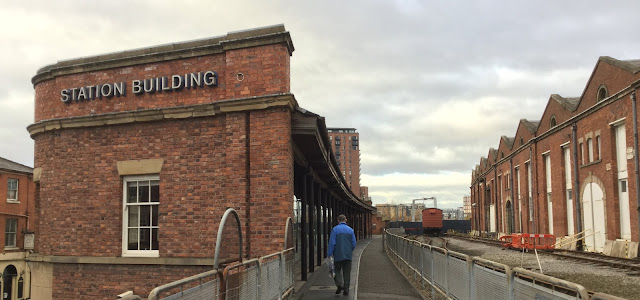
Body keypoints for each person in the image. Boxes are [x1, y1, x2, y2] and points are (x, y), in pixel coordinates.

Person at [327, 214, 356, 296]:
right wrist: (349, 251)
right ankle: (346, 289)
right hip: (348, 255)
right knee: (347, 273)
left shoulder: (335, 230)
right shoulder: (351, 230)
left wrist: (329, 254)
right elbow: (354, 243)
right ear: (345, 220)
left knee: (336, 270)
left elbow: (332, 243)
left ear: (338, 220)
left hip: (337, 255)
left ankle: (339, 284)